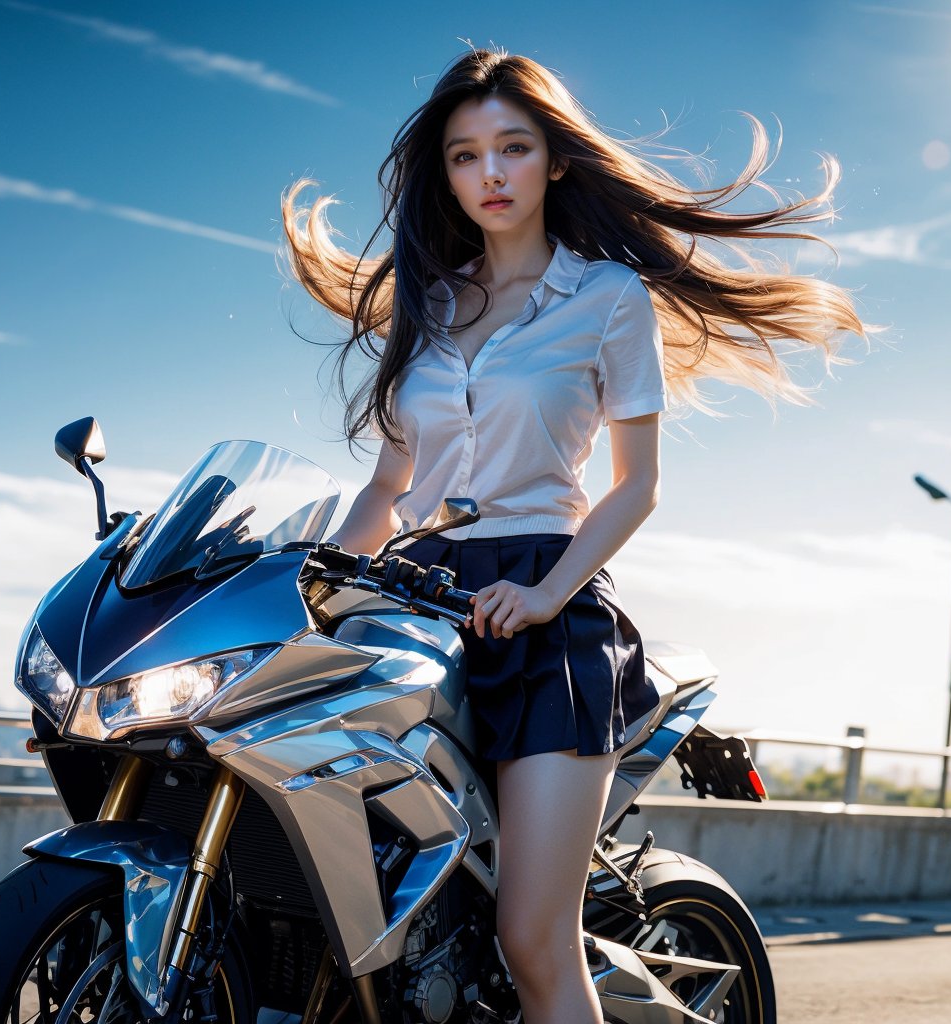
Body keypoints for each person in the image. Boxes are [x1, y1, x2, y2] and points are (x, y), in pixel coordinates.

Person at [281, 48, 869, 1024]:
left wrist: (549, 591)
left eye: (514, 148)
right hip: (417, 611)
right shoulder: (424, 308)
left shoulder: (606, 300)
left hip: (544, 617)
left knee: (532, 941)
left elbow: (637, 488)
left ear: (555, 160)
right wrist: (320, 579)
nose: (492, 174)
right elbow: (391, 482)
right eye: (467, 156)